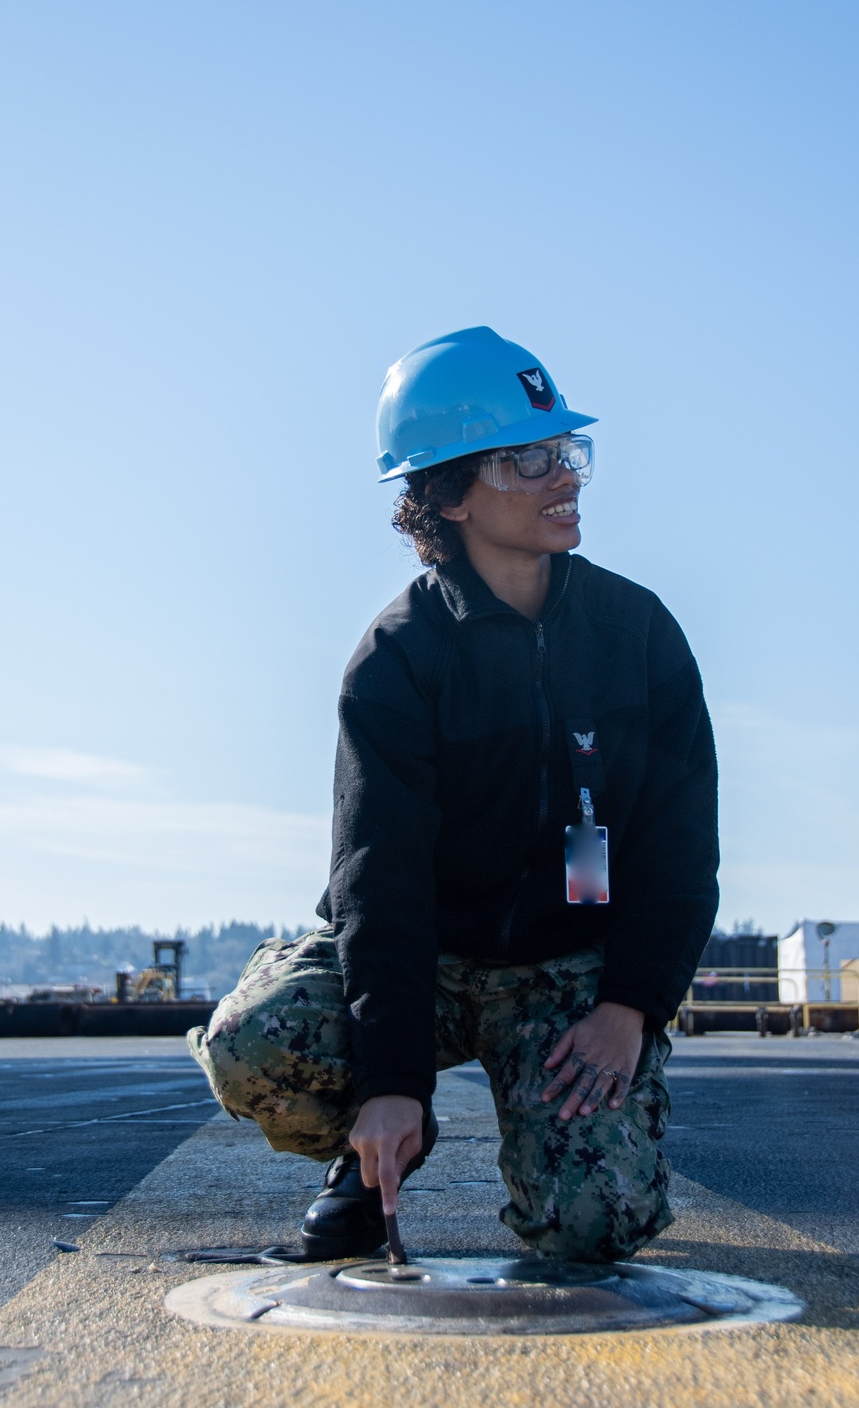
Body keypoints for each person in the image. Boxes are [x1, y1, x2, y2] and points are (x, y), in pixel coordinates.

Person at [189, 326, 718, 1263]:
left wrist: (630, 1005)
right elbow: (378, 879)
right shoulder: (398, 660)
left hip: (569, 970)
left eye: (566, 451)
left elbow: (680, 848)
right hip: (422, 962)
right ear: (445, 493)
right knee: (253, 1046)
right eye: (529, 458)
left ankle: (566, 1146)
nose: (565, 475)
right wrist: (392, 1081)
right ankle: (377, 1147)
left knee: (593, 1225)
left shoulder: (638, 634)